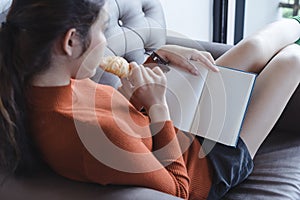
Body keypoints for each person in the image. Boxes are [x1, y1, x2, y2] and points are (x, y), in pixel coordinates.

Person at [0, 0, 300, 199]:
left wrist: (150, 66)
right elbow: (180, 190)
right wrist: (158, 107)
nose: (106, 43)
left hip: (176, 124)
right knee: (292, 61)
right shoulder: (87, 131)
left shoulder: (45, 88)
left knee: (256, 45)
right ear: (69, 42)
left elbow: (115, 115)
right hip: (207, 165)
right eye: (102, 30)